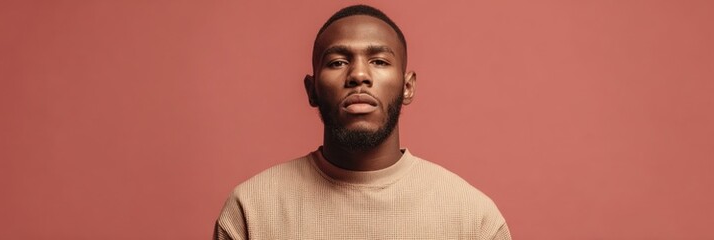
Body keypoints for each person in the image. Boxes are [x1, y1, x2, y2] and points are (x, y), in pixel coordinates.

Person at [214, 4, 510, 240]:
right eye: (337, 62)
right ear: (312, 90)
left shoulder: (474, 219)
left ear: (407, 87)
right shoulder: (250, 210)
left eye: (379, 61)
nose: (358, 75)